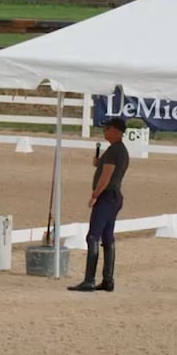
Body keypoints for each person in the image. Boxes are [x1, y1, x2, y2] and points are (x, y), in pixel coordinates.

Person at [69, 115, 131, 293]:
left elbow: (106, 176)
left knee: (93, 236)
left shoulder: (113, 151)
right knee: (107, 237)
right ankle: (108, 279)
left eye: (107, 128)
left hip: (106, 197)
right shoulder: (119, 150)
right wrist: (99, 163)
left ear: (116, 131)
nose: (104, 131)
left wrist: (95, 194)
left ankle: (89, 279)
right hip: (114, 197)